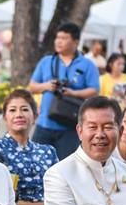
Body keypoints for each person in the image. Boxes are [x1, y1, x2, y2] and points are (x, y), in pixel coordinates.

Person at [27, 22, 100, 159]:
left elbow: (94, 90)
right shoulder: (46, 61)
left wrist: (73, 93)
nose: (59, 41)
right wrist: (47, 86)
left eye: (64, 38)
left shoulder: (87, 64)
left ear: (76, 42)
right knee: (37, 162)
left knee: (67, 165)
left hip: (70, 125)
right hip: (45, 124)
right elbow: (32, 86)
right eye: (58, 37)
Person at [0, 89, 58, 203]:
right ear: (5, 117)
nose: (19, 115)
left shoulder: (48, 152)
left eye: (25, 109)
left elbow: (57, 189)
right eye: (12, 110)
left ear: (35, 116)